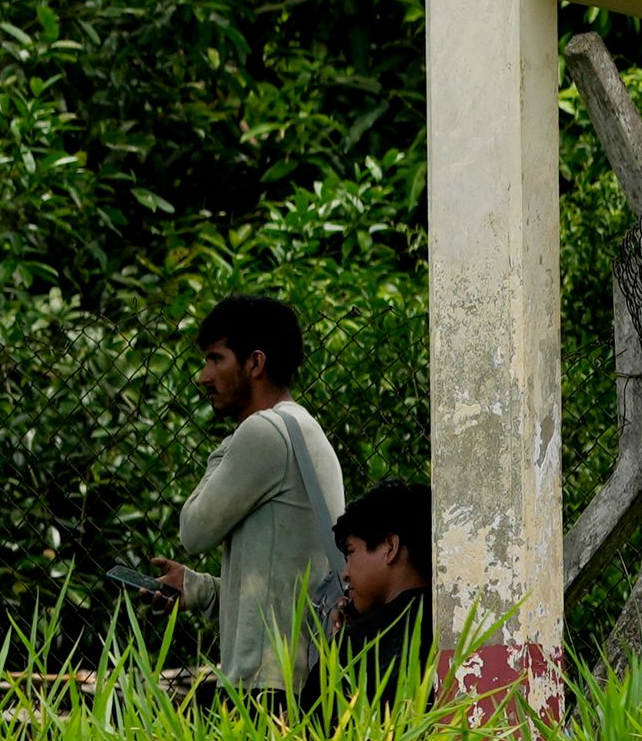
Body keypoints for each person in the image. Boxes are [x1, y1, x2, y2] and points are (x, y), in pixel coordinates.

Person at [150, 292, 349, 702]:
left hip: (265, 686)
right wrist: (199, 589)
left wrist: (227, 445)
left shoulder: (263, 432)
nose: (203, 376)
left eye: (216, 359)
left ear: (255, 363)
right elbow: (286, 584)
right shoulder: (303, 428)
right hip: (301, 677)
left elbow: (193, 530)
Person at [320, 480, 432, 708]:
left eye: (351, 552)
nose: (345, 573)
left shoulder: (354, 646)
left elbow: (310, 727)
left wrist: (343, 639)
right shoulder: (457, 629)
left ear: (390, 548)